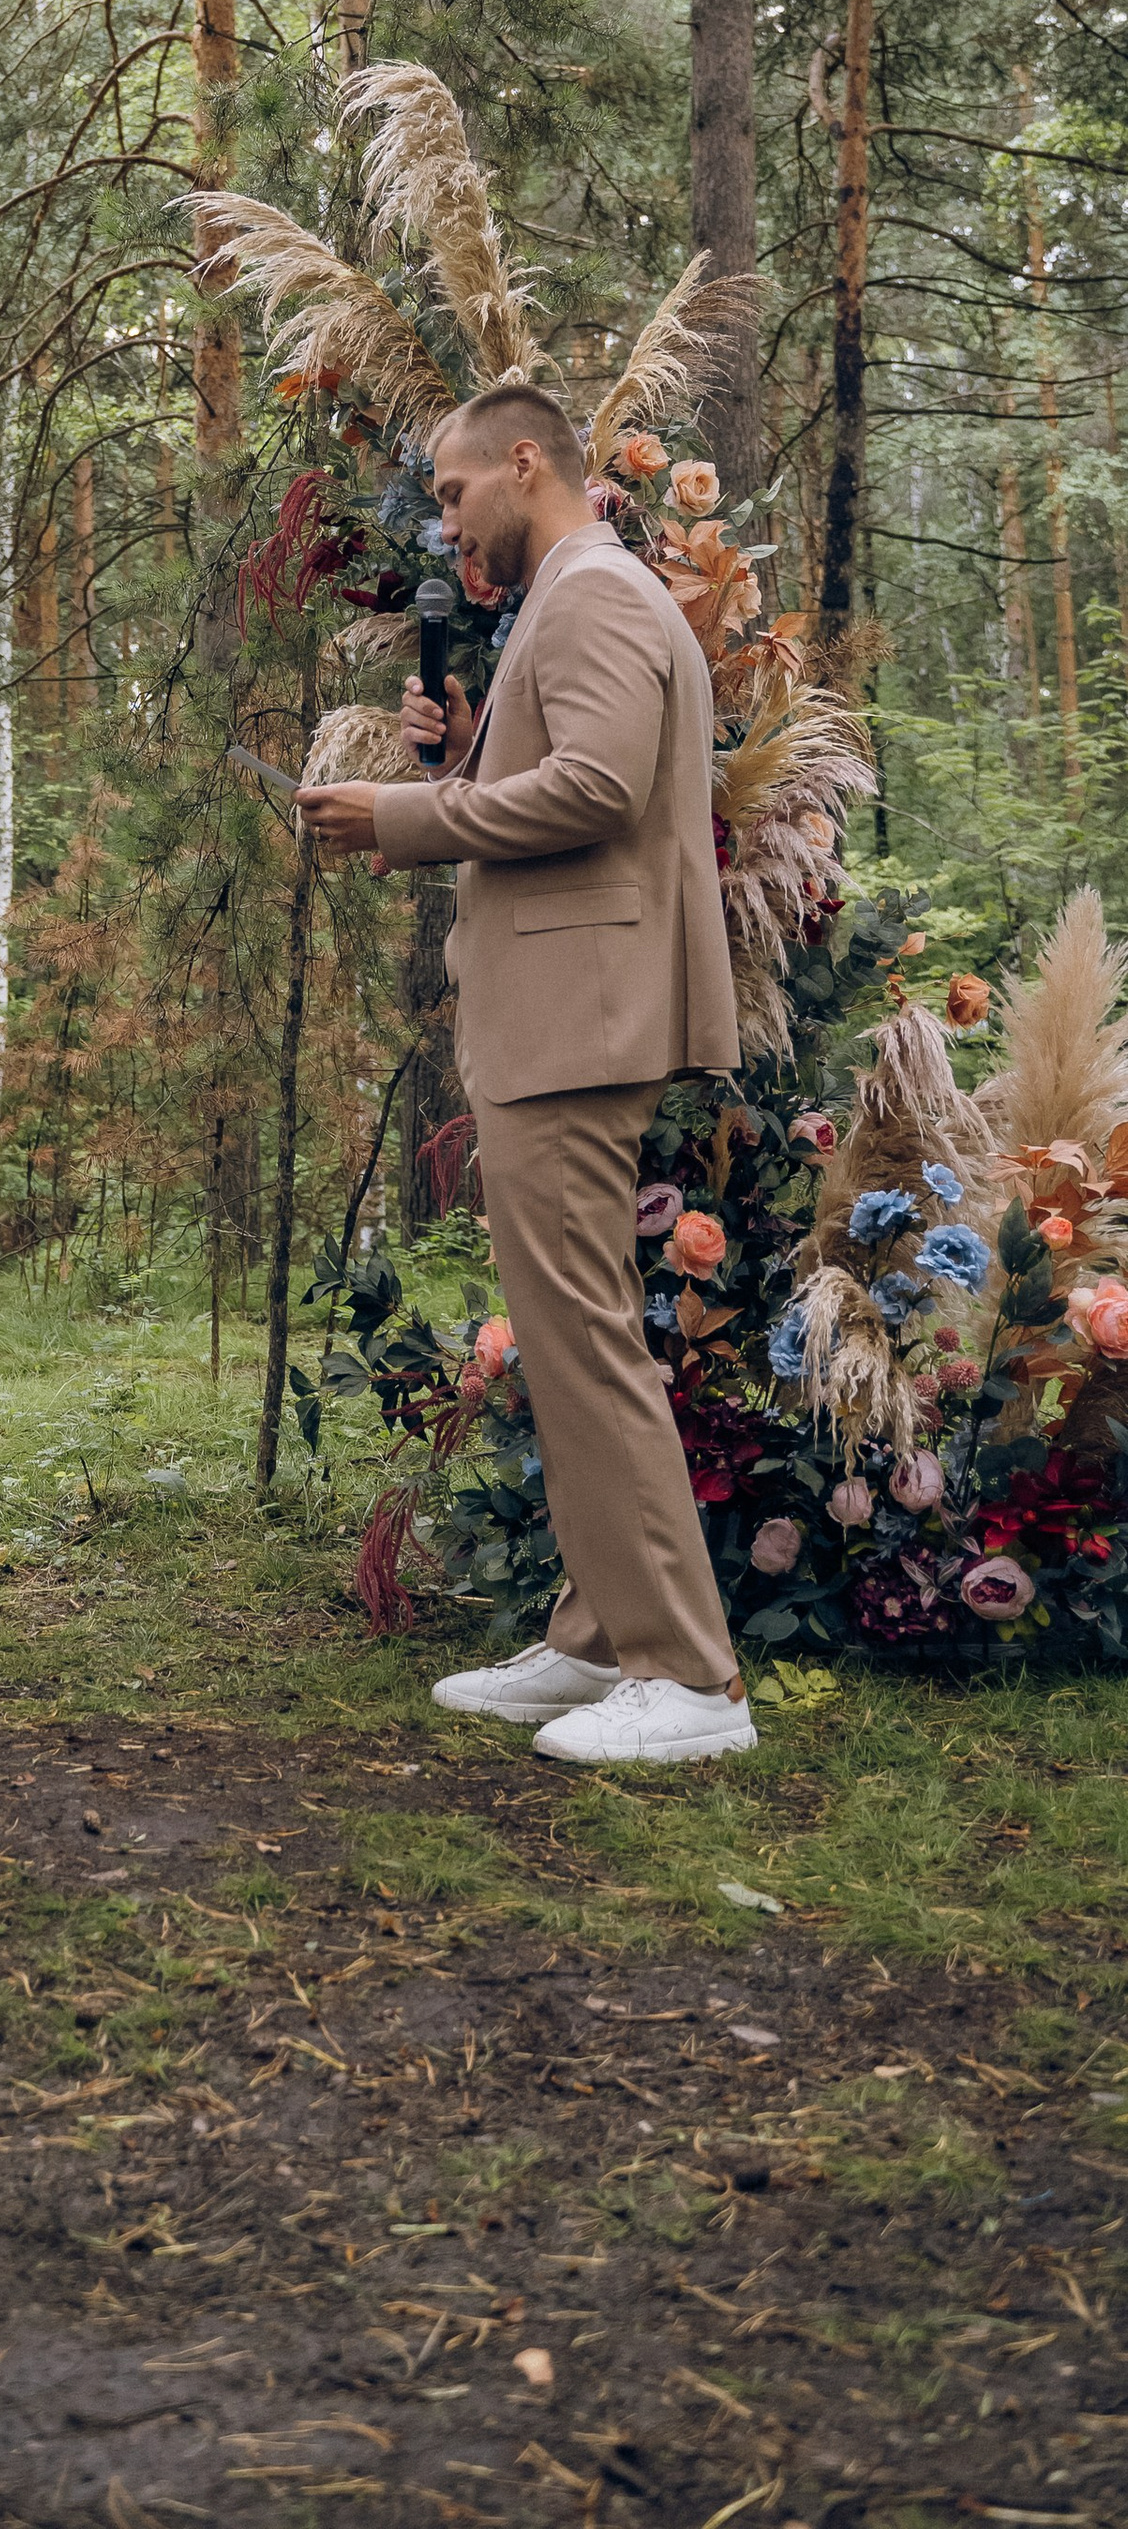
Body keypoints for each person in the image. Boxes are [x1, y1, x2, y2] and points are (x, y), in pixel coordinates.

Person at [294, 381, 753, 1768]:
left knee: (586, 1342)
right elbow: (577, 772)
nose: (445, 525)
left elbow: (601, 789)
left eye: (453, 494)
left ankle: (689, 1679)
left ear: (524, 462)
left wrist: (407, 815)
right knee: (567, 1337)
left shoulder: (594, 593)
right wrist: (463, 755)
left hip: (580, 1017)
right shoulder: (569, 596)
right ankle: (598, 1638)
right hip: (567, 1010)